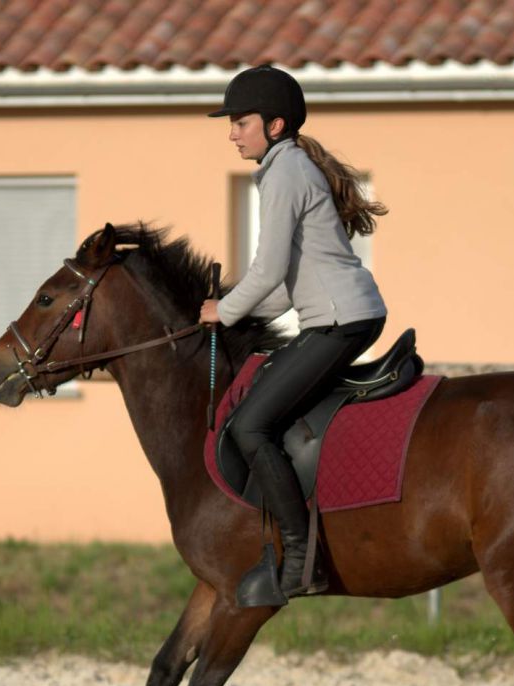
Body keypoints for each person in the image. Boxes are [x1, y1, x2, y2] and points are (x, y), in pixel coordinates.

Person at [199, 65, 388, 608]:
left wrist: (224, 312)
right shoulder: (287, 166)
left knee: (251, 425)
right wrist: (242, 315)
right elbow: (288, 286)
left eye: (241, 122)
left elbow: (265, 270)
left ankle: (300, 558)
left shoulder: (284, 172)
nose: (232, 132)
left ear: (275, 125)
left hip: (340, 321)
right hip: (338, 314)